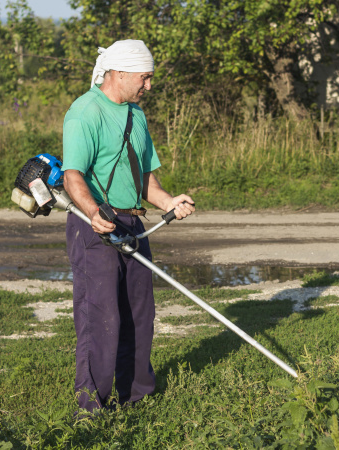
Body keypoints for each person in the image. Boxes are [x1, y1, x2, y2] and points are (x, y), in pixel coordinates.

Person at [61, 39, 195, 414]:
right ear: (119, 73)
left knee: (140, 313)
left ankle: (137, 397)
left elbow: (144, 179)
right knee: (100, 315)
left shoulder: (136, 116)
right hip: (94, 224)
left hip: (133, 223)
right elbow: (73, 176)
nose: (149, 86)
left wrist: (168, 202)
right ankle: (91, 407)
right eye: (145, 78)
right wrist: (93, 213)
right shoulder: (85, 112)